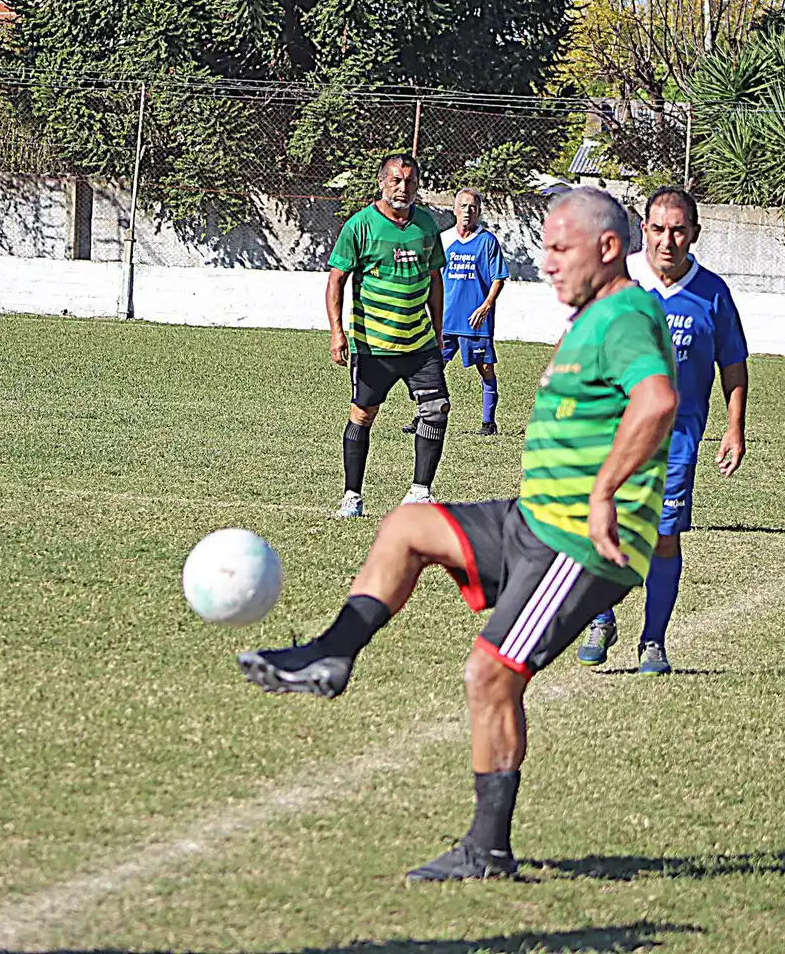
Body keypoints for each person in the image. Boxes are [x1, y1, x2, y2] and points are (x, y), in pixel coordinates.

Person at [238, 188, 679, 881]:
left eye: (561, 248)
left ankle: (487, 851)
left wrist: (602, 495)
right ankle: (331, 654)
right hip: (533, 521)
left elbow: (657, 401)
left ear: (608, 248)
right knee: (410, 525)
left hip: (580, 542)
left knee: (490, 675)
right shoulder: (596, 317)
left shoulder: (625, 313)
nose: (548, 261)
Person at [577, 186, 749, 675]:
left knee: (663, 537)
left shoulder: (713, 293)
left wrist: (734, 428)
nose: (667, 240)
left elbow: (732, 366)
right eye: (658, 229)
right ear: (644, 229)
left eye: (678, 230)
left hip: (676, 439)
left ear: (694, 234)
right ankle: (602, 617)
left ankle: (653, 640)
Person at [327, 153, 449, 518]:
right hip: (373, 344)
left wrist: (438, 330)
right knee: (363, 415)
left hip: (419, 342)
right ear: (381, 182)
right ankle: (352, 496)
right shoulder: (360, 226)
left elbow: (434, 279)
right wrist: (338, 332)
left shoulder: (426, 225)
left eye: (410, 181)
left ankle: (419, 493)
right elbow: (336, 280)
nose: (403, 187)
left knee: (437, 409)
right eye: (395, 180)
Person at [403, 188, 509, 436]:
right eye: (463, 206)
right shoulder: (444, 240)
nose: (467, 211)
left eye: (472, 207)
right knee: (432, 369)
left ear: (479, 211)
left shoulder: (487, 241)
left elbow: (498, 277)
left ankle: (488, 423)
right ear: (454, 209)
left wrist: (486, 305)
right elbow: (430, 277)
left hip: (475, 321)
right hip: (445, 320)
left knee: (485, 369)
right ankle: (423, 418)